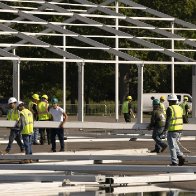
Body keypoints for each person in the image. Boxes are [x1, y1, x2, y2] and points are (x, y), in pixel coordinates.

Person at [163, 94, 185, 166]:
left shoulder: (170, 108)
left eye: (169, 101)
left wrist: (165, 130)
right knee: (174, 144)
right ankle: (180, 156)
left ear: (170, 101)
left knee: (172, 146)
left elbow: (168, 120)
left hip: (173, 130)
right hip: (179, 129)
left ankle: (174, 162)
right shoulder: (180, 108)